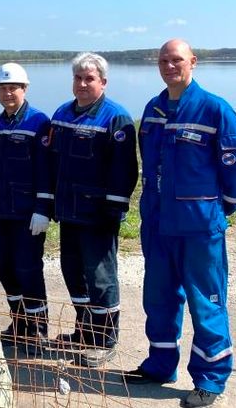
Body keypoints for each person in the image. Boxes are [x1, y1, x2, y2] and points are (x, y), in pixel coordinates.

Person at [125, 39, 236, 408]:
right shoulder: (153, 110)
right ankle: (160, 365)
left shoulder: (214, 109)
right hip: (158, 225)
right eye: (164, 60)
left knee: (206, 302)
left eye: (177, 60)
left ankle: (210, 379)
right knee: (159, 298)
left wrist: (217, 210)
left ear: (192, 62)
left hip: (199, 229)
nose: (170, 66)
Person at [49, 52, 138, 368]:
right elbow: (53, 160)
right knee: (73, 273)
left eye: (90, 79)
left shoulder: (116, 118)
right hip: (68, 211)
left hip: (98, 214)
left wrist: (114, 209)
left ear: (103, 82)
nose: (83, 84)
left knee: (100, 277)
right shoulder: (62, 113)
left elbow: (124, 170)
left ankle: (105, 340)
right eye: (78, 78)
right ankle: (84, 331)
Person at [0, 63, 54, 355]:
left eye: (12, 88)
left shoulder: (39, 122)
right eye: (2, 88)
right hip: (1, 211)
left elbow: (45, 169)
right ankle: (19, 324)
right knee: (5, 268)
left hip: (28, 213)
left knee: (28, 269)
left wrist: (43, 208)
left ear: (24, 89)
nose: (7, 93)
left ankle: (38, 330)